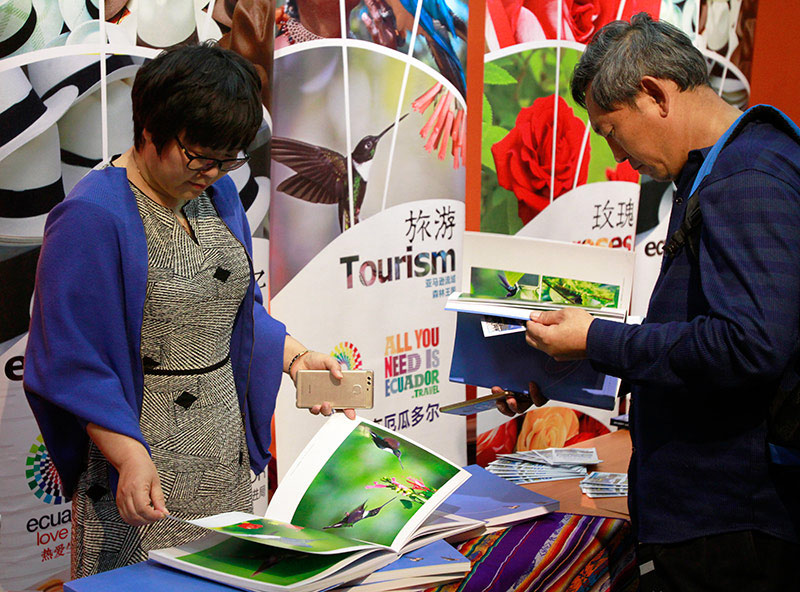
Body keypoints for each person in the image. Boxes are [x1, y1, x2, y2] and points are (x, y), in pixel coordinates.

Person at [23, 42, 354, 578]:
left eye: (229, 159)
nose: (214, 172)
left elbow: (236, 309)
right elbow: (70, 359)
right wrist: (128, 455)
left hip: (223, 442)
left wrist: (295, 359)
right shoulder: (91, 216)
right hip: (142, 451)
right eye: (199, 155)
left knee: (227, 577)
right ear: (150, 127)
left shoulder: (218, 195)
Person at [495, 13, 800, 591]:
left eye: (611, 130)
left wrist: (597, 338)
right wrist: (573, 365)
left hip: (729, 523)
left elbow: (749, 344)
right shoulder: (731, 169)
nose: (616, 153)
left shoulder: (747, 179)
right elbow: (703, 333)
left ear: (655, 95)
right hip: (719, 512)